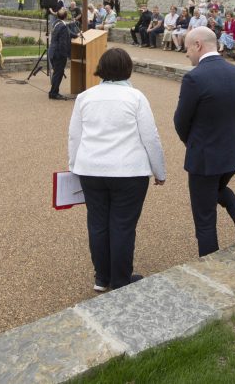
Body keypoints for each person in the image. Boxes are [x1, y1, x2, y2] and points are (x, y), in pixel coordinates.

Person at [69, 47, 166, 291]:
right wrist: (159, 171)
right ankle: (121, 279)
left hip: (91, 169)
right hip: (128, 171)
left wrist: (74, 167)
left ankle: (102, 277)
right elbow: (150, 138)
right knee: (123, 225)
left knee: (98, 223)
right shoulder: (136, 98)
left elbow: (74, 137)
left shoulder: (85, 97)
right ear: (127, 69)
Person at [174, 26, 235, 256]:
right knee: (216, 189)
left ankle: (211, 268)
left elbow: (180, 121)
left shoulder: (194, 78)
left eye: (187, 48)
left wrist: (193, 143)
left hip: (205, 157)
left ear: (198, 45)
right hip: (232, 153)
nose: (186, 53)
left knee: (205, 219)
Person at [50, 8, 74, 100]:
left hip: (53, 52)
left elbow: (68, 33)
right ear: (66, 16)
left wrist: (77, 35)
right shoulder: (63, 26)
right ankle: (53, 93)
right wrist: (66, 55)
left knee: (57, 73)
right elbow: (63, 43)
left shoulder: (57, 23)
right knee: (58, 73)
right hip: (59, 54)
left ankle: (53, 91)